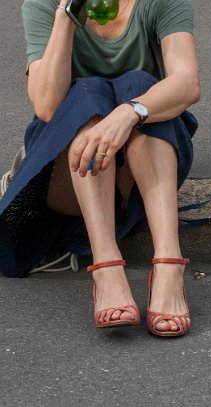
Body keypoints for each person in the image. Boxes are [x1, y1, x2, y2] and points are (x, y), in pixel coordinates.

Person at [1, 0, 200, 336]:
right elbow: (47, 105)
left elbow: (187, 82)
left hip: (136, 173)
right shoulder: (43, 4)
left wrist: (130, 112)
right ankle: (106, 267)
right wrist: (65, 19)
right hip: (68, 172)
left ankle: (168, 264)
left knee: (140, 85)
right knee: (86, 93)